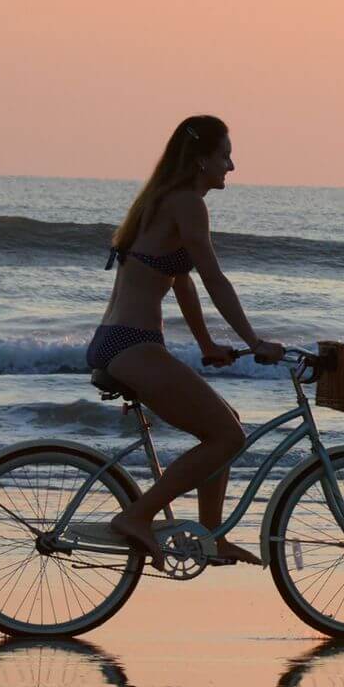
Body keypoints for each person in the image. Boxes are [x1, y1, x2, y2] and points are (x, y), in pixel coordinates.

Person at [87, 115, 284, 560]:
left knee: (226, 424)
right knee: (227, 437)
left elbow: (183, 281)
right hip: (131, 344)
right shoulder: (188, 204)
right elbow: (214, 277)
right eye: (224, 156)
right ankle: (137, 515)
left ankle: (210, 535)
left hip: (119, 341)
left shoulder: (160, 200)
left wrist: (207, 345)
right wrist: (254, 342)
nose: (231, 166)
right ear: (200, 160)